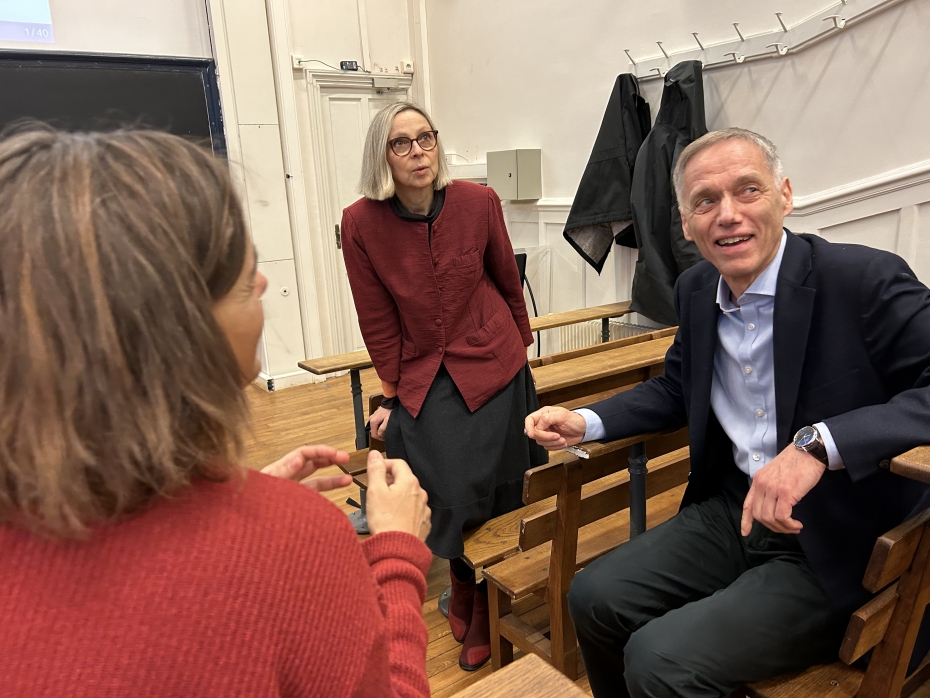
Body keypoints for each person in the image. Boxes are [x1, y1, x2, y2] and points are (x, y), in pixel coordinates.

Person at [0, 127, 433, 698]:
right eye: (237, 272)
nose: (261, 281)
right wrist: (398, 552)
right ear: (173, 326)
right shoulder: (297, 544)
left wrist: (237, 501)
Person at [525, 127, 930, 697]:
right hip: (735, 509)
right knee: (592, 597)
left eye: (748, 191)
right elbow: (676, 389)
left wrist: (820, 444)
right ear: (687, 224)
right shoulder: (696, 289)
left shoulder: (861, 279)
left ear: (784, 196)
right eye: (706, 201)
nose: (728, 215)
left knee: (659, 659)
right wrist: (587, 421)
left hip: (837, 537)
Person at [341, 100, 547, 671]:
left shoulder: (478, 201)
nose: (418, 152)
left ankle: (483, 595)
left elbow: (507, 276)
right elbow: (376, 317)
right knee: (446, 493)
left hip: (495, 359)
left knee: (506, 487)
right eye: (401, 143)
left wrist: (520, 353)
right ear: (381, 156)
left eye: (425, 138)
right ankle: (462, 580)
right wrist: (389, 395)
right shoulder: (360, 222)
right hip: (423, 370)